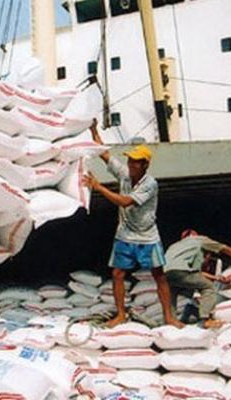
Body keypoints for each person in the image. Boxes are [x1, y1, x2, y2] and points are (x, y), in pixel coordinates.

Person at [82, 120, 183, 328]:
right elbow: (104, 153)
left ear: (145, 165)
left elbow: (125, 202)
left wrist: (98, 187)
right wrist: (93, 129)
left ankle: (169, 317)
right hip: (125, 235)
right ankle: (121, 315)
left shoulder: (150, 184)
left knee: (159, 276)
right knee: (117, 274)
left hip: (147, 237)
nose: (130, 164)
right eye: (129, 160)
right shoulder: (125, 175)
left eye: (135, 162)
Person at [164, 229, 231, 328]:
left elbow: (195, 273)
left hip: (165, 274)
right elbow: (224, 248)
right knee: (208, 287)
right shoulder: (199, 239)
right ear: (193, 235)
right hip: (182, 271)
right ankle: (205, 319)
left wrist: (216, 278)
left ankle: (171, 323)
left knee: (171, 295)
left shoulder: (174, 246)